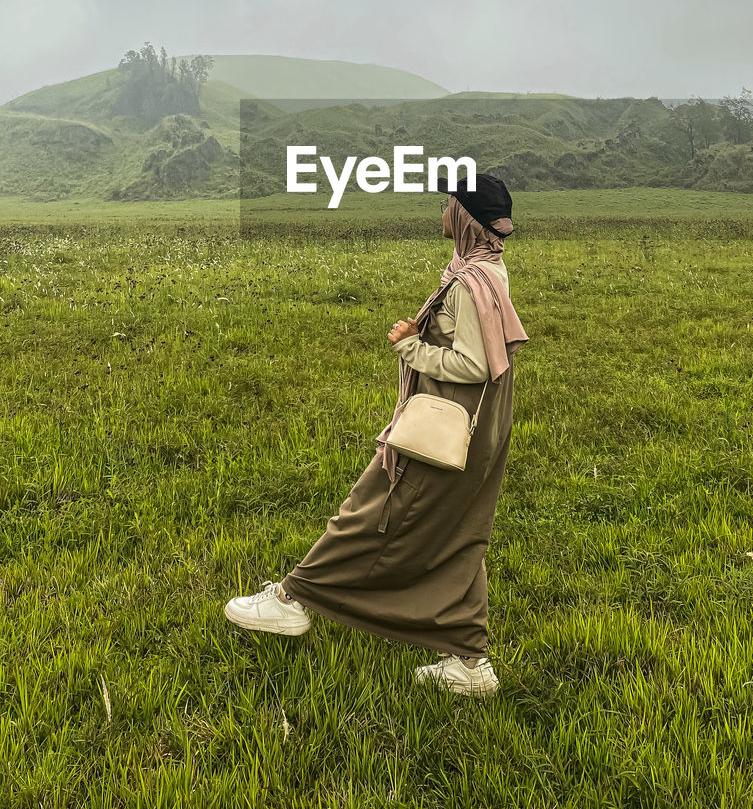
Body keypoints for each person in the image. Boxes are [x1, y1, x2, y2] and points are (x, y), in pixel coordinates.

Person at [225, 172, 529, 697]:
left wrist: (411, 346)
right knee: (460, 532)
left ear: (463, 218)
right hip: (482, 426)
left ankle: (293, 601)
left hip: (448, 424)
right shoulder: (488, 270)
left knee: (374, 509)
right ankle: (468, 661)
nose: (442, 214)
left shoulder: (467, 283)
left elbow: (473, 362)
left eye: (448, 206)